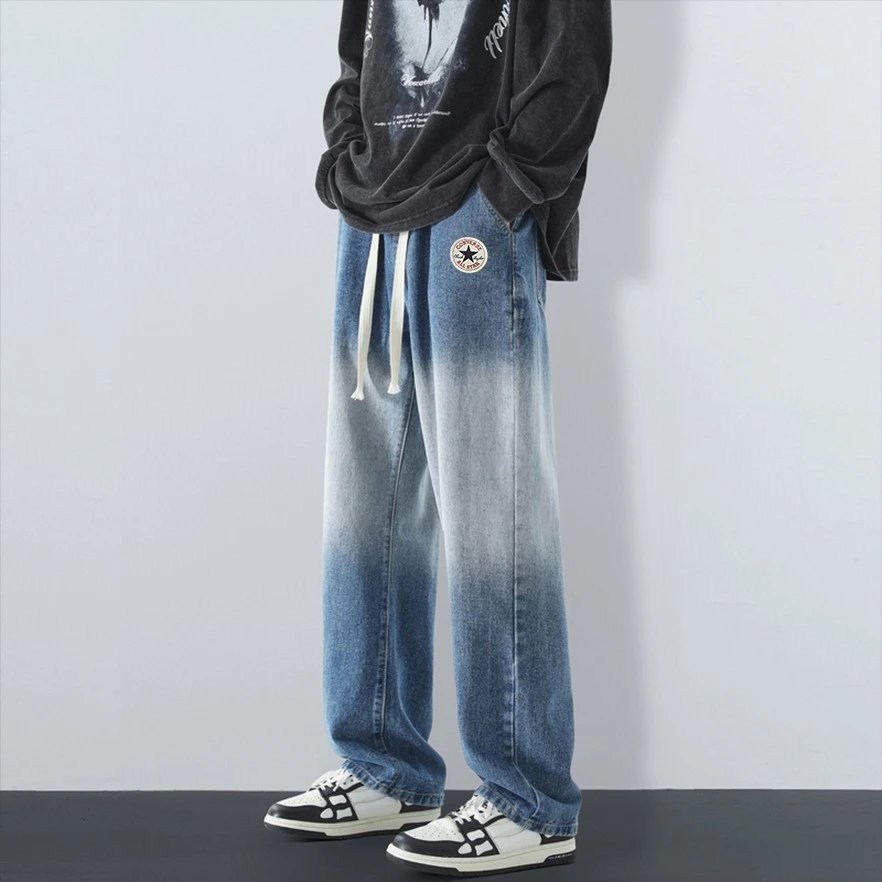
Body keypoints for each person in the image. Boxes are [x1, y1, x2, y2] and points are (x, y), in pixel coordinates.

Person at [264, 0, 612, 875]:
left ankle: (530, 799)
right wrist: (348, 158)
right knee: (366, 501)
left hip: (475, 213)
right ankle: (384, 766)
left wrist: (508, 190)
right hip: (372, 214)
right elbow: (360, 49)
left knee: (495, 504)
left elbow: (571, 61)